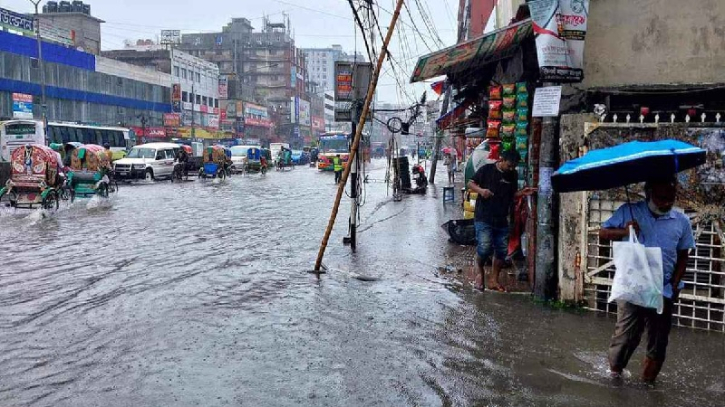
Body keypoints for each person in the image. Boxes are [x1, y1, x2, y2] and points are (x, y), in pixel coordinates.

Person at [599, 176, 694, 383]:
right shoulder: (629, 211)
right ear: (648, 193)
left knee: (658, 342)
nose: (666, 203)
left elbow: (684, 255)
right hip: (633, 287)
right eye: (661, 198)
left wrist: (675, 285)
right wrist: (626, 231)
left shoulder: (681, 221)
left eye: (671, 198)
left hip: (664, 289)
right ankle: (615, 377)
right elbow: (603, 232)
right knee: (625, 337)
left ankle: (648, 385)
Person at [467, 150, 535, 292]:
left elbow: (512, 194)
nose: (511, 169)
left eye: (514, 167)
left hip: (502, 218)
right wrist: (481, 191)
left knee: (501, 251)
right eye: (509, 165)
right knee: (485, 247)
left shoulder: (513, 175)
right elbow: (470, 183)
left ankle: (494, 280)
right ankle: (479, 273)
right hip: (483, 216)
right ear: (501, 159)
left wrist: (522, 192)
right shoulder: (486, 170)